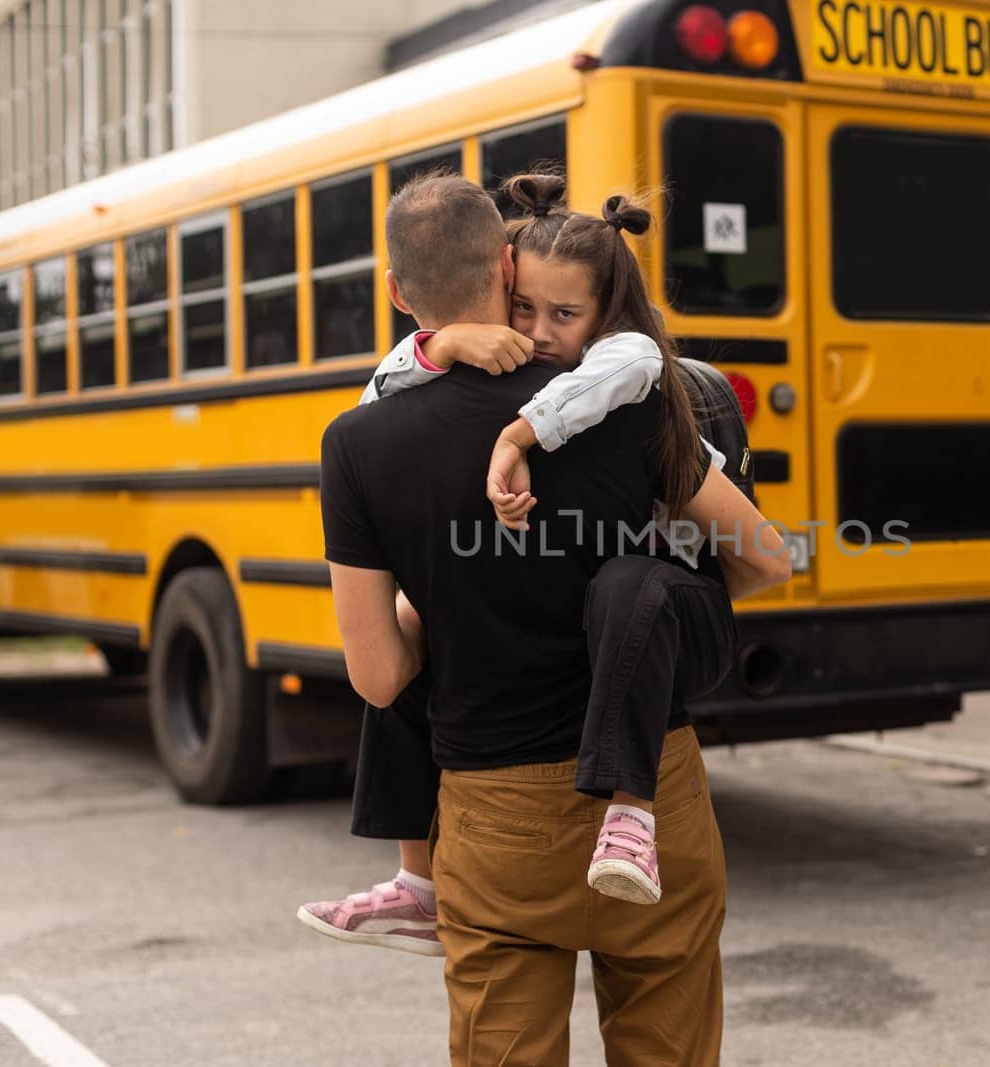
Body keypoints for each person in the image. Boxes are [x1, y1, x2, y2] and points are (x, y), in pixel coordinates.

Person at [317, 171, 787, 1064]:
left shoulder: (359, 441)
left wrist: (445, 599)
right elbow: (763, 557)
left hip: (493, 823)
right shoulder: (623, 401)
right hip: (653, 798)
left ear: (397, 293)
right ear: (506, 261)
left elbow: (379, 677)